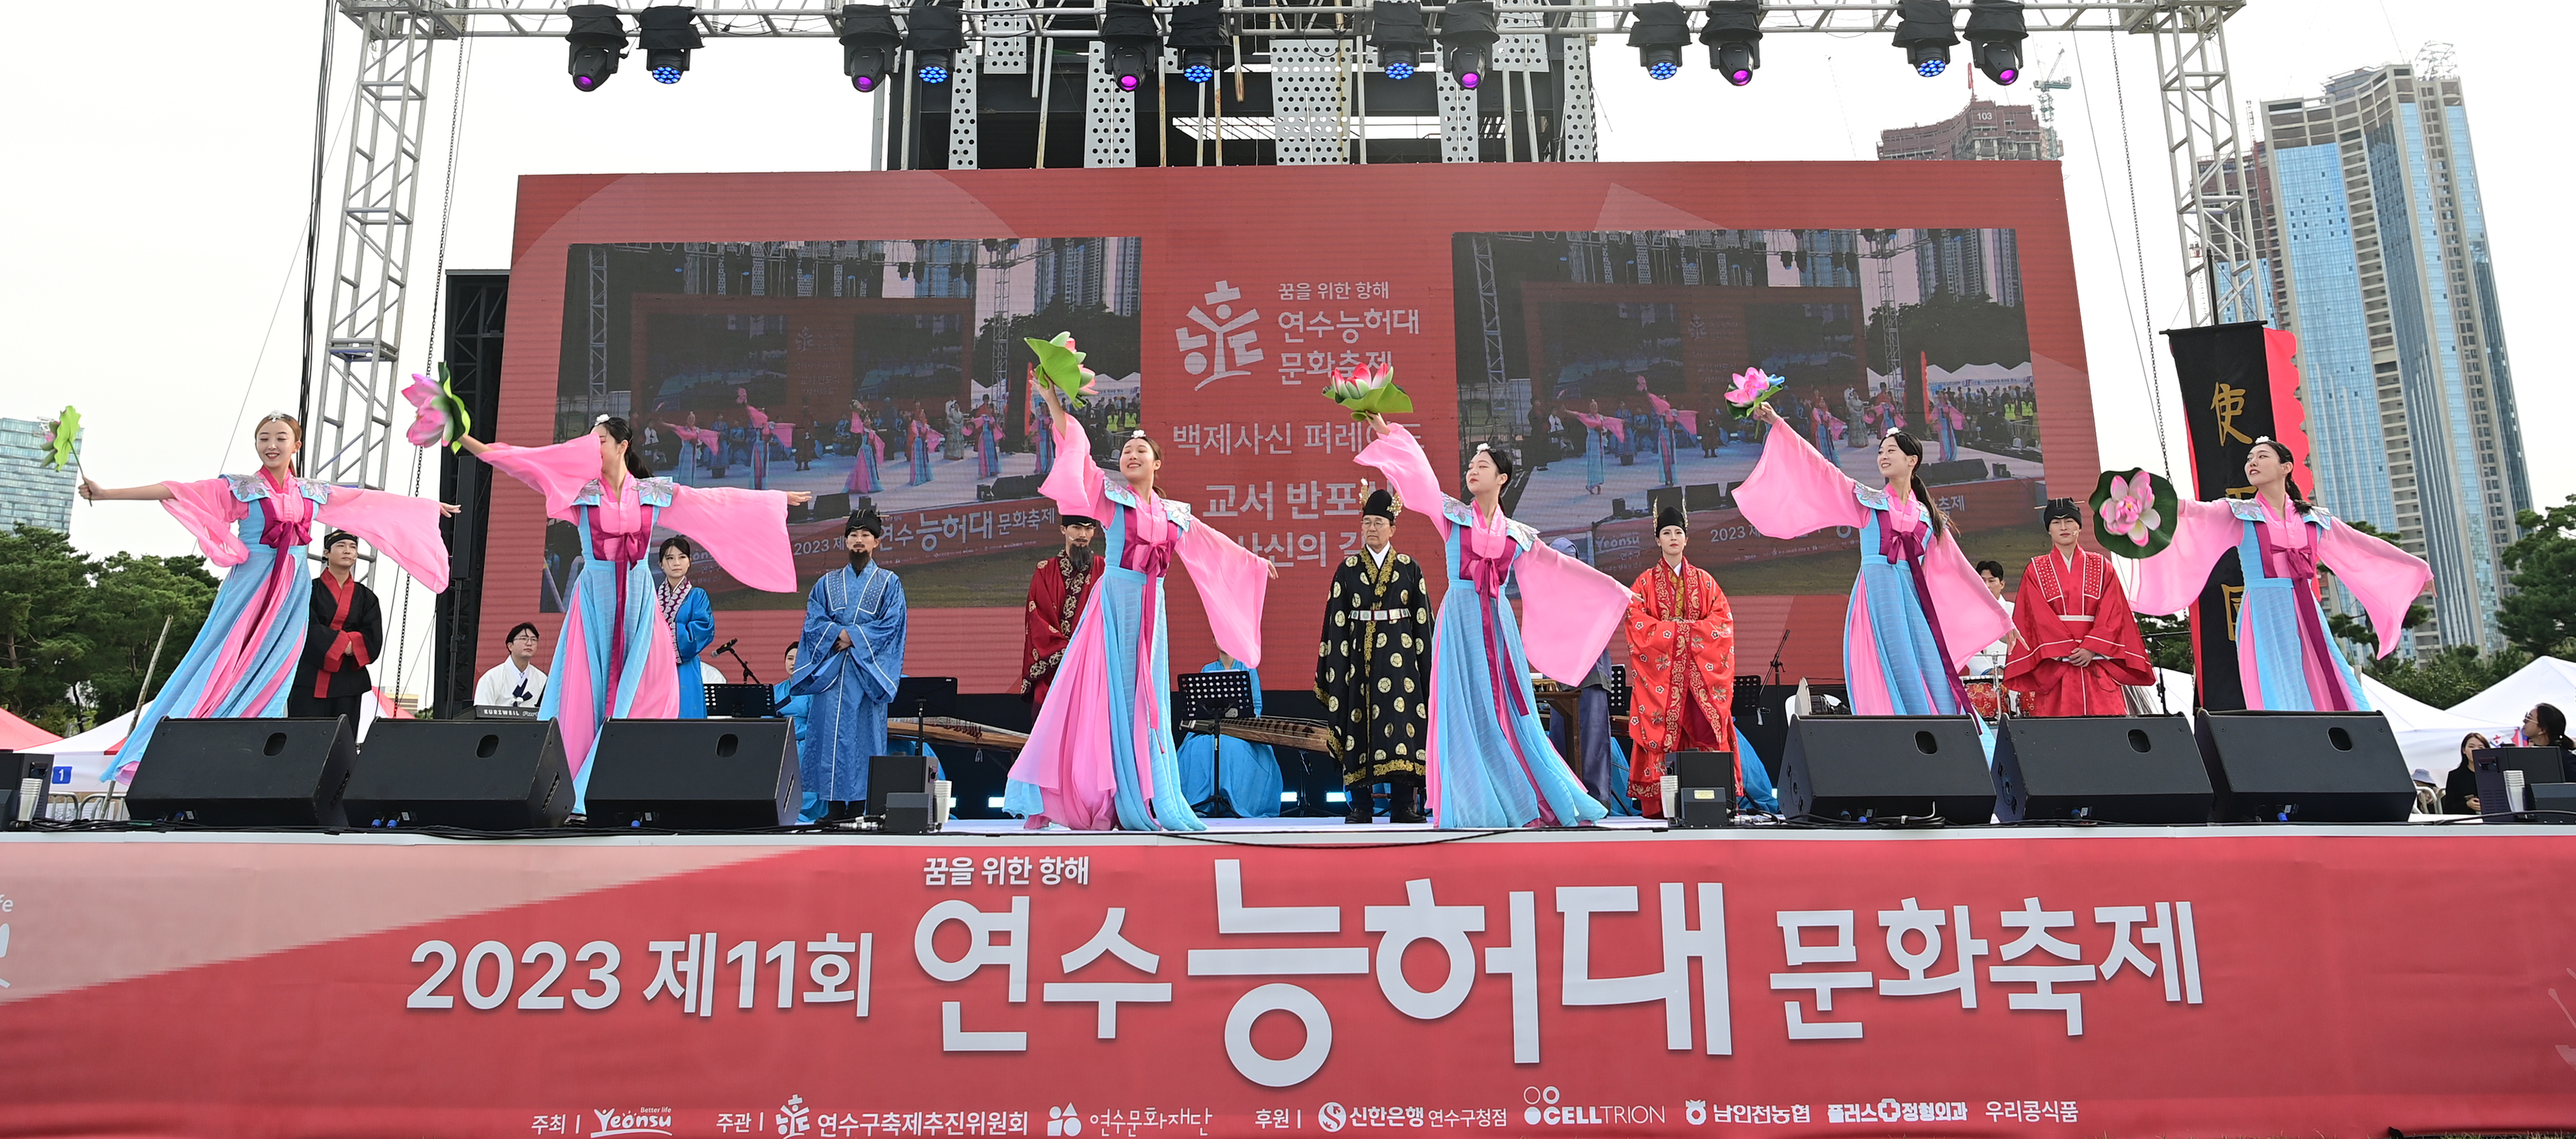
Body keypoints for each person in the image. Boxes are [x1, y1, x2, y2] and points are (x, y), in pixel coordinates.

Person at [80, 413, 454, 779]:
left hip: (292, 588)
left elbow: (369, 503)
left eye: (280, 438)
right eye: (264, 438)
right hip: (253, 583)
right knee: (224, 656)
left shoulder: (311, 491)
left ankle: (248, 745)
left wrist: (424, 508)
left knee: (280, 663)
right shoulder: (240, 487)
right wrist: (107, 494)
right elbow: (177, 490)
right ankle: (181, 736)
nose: (271, 445)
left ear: (296, 445)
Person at [457, 417, 808, 804]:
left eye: (601, 441)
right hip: (596, 601)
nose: (593, 448)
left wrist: (772, 500)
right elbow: (526, 464)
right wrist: (467, 439)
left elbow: (712, 502)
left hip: (639, 602)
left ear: (622, 446)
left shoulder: (651, 493)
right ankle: (573, 787)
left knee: (645, 691)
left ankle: (630, 780)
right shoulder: (581, 492)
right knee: (584, 696)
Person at [1003, 385, 1274, 832]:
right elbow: (1080, 456)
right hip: (1114, 609)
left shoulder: (1175, 514)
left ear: (1157, 463)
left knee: (1146, 708)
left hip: (1152, 616)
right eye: (1127, 451)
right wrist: (1054, 405)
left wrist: (1254, 564)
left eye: (1141, 451)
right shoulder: (1112, 500)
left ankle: (1151, 798)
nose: (1131, 455)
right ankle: (1099, 798)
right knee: (1102, 703)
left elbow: (1213, 547)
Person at [1355, 418, 1624, 829]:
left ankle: (1527, 799)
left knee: (1511, 713)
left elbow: (1560, 570)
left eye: (1483, 466)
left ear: (1502, 479)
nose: (1473, 471)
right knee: (1463, 711)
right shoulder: (1452, 515)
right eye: (1471, 465)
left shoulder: (1517, 534)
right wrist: (1386, 430)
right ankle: (1477, 800)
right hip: (1461, 620)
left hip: (1498, 626)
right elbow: (1421, 477)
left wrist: (1612, 591)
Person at [1740, 405, 2008, 717]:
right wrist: (1778, 423)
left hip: (1912, 603)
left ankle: (1942, 727)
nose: (1883, 456)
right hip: (1878, 598)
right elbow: (1822, 470)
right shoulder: (1868, 501)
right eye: (1881, 452)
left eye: (1891, 451)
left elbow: (1959, 570)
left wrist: (2001, 617)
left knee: (1927, 666)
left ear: (1912, 461)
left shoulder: (1928, 517)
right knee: (1886, 663)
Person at [2133, 438, 2431, 711]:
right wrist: (2144, 503)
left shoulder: (2314, 518)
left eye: (2262, 456)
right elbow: (2193, 511)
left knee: (2328, 671)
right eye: (2250, 458)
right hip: (2264, 610)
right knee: (2276, 681)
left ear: (2286, 467)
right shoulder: (2240, 512)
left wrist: (2418, 570)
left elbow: (2365, 546)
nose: (2253, 462)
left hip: (2306, 608)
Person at [1314, 488, 1432, 824]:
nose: (1371, 529)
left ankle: (1403, 805)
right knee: (1357, 724)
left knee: (1403, 726)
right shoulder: (1348, 569)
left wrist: (1428, 669)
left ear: (1393, 529)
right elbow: (1335, 622)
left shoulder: (1410, 568)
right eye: (1367, 522)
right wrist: (1336, 667)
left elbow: (1422, 623)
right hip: (1358, 663)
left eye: (1379, 523)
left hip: (1401, 664)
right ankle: (1361, 806)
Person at [787, 511, 907, 824]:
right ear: (845, 541)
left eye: (866, 535)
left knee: (863, 739)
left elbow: (892, 625)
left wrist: (852, 637)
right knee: (829, 737)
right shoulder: (826, 584)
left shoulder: (889, 583)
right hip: (831, 674)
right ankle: (833, 809)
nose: (859, 540)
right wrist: (836, 635)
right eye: (853, 535)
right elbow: (814, 621)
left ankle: (858, 810)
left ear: (877, 542)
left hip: (867, 675)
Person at [1623, 505, 1736, 817]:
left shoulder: (1706, 582)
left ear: (1686, 539)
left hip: (1699, 683)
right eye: (1666, 533)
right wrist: (1680, 634)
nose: (1673, 538)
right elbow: (1636, 624)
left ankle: (1711, 801)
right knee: (1663, 734)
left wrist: (1680, 632)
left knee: (1704, 730)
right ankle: (1662, 805)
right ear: (1657, 540)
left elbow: (1722, 624)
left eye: (1678, 533)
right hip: (1662, 682)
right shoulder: (1644, 584)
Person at [2004, 499, 2155, 717]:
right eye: (2056, 522)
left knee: (2107, 725)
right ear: (2048, 530)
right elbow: (2035, 616)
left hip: (2098, 660)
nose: (2063, 527)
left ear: (2079, 526)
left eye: (2069, 521)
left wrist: (2092, 647)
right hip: (2056, 665)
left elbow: (2114, 612)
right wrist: (2066, 649)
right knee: (2059, 727)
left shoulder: (2102, 566)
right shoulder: (2035, 570)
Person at [289, 530, 384, 726]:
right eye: (341, 546)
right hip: (310, 678)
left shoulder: (367, 598)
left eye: (353, 547)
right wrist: (345, 644)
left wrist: (348, 644)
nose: (348, 551)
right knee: (305, 737)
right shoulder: (308, 590)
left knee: (344, 738)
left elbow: (373, 637)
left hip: (349, 681)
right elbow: (305, 628)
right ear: (327, 553)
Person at [1177, 652, 1283, 818]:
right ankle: (1204, 802)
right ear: (1214, 641)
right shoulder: (1208, 669)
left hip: (1240, 729)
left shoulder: (1248, 669)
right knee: (1197, 747)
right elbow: (1200, 705)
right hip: (1212, 726)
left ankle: (1237, 802)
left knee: (1230, 745)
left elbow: (1256, 706)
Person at [1020, 515, 1101, 707]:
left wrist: (1086, 650)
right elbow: (1038, 619)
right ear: (1063, 529)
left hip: (1093, 663)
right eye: (1077, 527)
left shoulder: (1104, 568)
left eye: (1089, 528)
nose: (1083, 535)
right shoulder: (1045, 570)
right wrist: (1069, 651)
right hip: (1055, 666)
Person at [657, 537, 715, 719]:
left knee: (686, 711)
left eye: (682, 557)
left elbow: (703, 629)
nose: (676, 563)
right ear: (661, 564)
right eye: (670, 558)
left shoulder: (698, 596)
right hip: (656, 665)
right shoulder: (653, 597)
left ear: (689, 562)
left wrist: (663, 631)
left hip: (685, 666)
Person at [1962, 559, 2016, 719]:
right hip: (1982, 686)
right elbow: (1967, 647)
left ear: (2002, 584)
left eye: (1992, 581)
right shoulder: (1968, 614)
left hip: (2013, 678)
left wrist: (2006, 669)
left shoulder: (2015, 610)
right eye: (1982, 581)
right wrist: (1989, 670)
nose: (1987, 585)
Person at [475, 622, 548, 710]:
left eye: (533, 640)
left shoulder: (542, 679)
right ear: (510, 646)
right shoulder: (492, 678)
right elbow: (482, 712)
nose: (529, 643)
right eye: (524, 639)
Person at [774, 642, 812, 759]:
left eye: (798, 659)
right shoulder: (776, 689)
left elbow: (815, 725)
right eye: (790, 659)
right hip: (778, 738)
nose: (793, 663)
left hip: (803, 741)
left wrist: (791, 734)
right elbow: (767, 718)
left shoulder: (813, 691)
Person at [846, 401, 884, 495]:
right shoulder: (864, 430)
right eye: (865, 420)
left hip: (870, 452)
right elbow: (857, 424)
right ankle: (863, 486)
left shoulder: (872, 431)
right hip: (864, 452)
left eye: (868, 419)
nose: (867, 421)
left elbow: (878, 442)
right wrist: (856, 412)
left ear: (871, 421)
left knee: (871, 469)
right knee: (863, 469)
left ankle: (871, 485)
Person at [907, 408, 940, 487]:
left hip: (923, 444)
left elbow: (930, 432)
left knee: (924, 459)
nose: (923, 416)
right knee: (918, 460)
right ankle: (918, 477)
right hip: (917, 445)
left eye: (924, 415)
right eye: (922, 414)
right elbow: (914, 433)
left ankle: (925, 476)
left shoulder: (925, 425)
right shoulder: (914, 423)